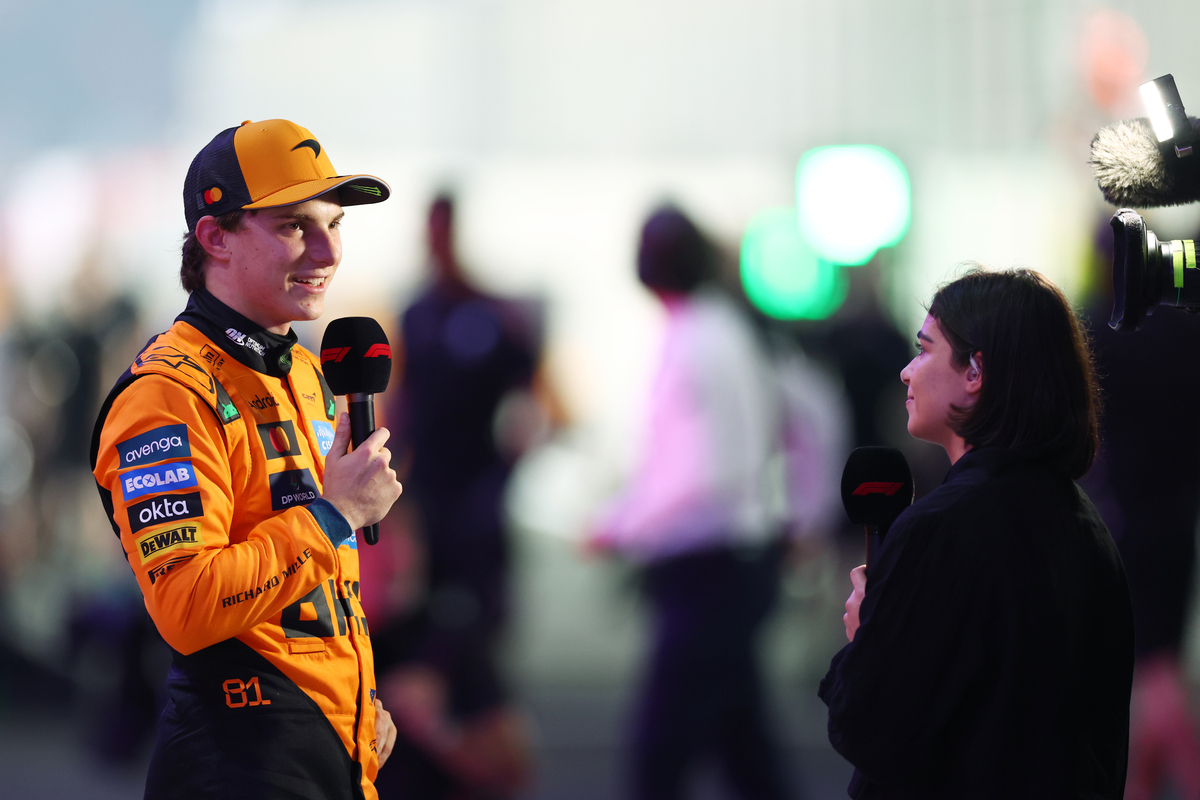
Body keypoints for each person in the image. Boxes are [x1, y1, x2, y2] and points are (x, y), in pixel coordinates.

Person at [90, 119, 404, 800]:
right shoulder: (166, 394)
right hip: (236, 764)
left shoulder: (305, 371)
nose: (328, 251)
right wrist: (334, 515)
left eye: (335, 224)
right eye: (295, 226)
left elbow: (310, 596)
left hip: (330, 752)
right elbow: (187, 606)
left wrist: (356, 702)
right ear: (215, 238)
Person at [819, 267, 1134, 798]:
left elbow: (871, 732)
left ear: (975, 371)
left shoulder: (944, 527)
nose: (906, 372)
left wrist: (868, 637)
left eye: (924, 350)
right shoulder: (1085, 524)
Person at [589, 206, 805, 800]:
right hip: (724, 562)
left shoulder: (701, 337)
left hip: (711, 567)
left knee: (661, 752)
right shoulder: (712, 329)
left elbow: (701, 469)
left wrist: (620, 524)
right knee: (745, 750)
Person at [371, 194, 538, 799]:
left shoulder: (495, 314)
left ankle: (474, 736)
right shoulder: (416, 313)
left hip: (480, 499)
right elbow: (404, 401)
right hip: (427, 496)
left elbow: (530, 400)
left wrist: (507, 470)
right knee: (421, 622)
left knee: (472, 628)